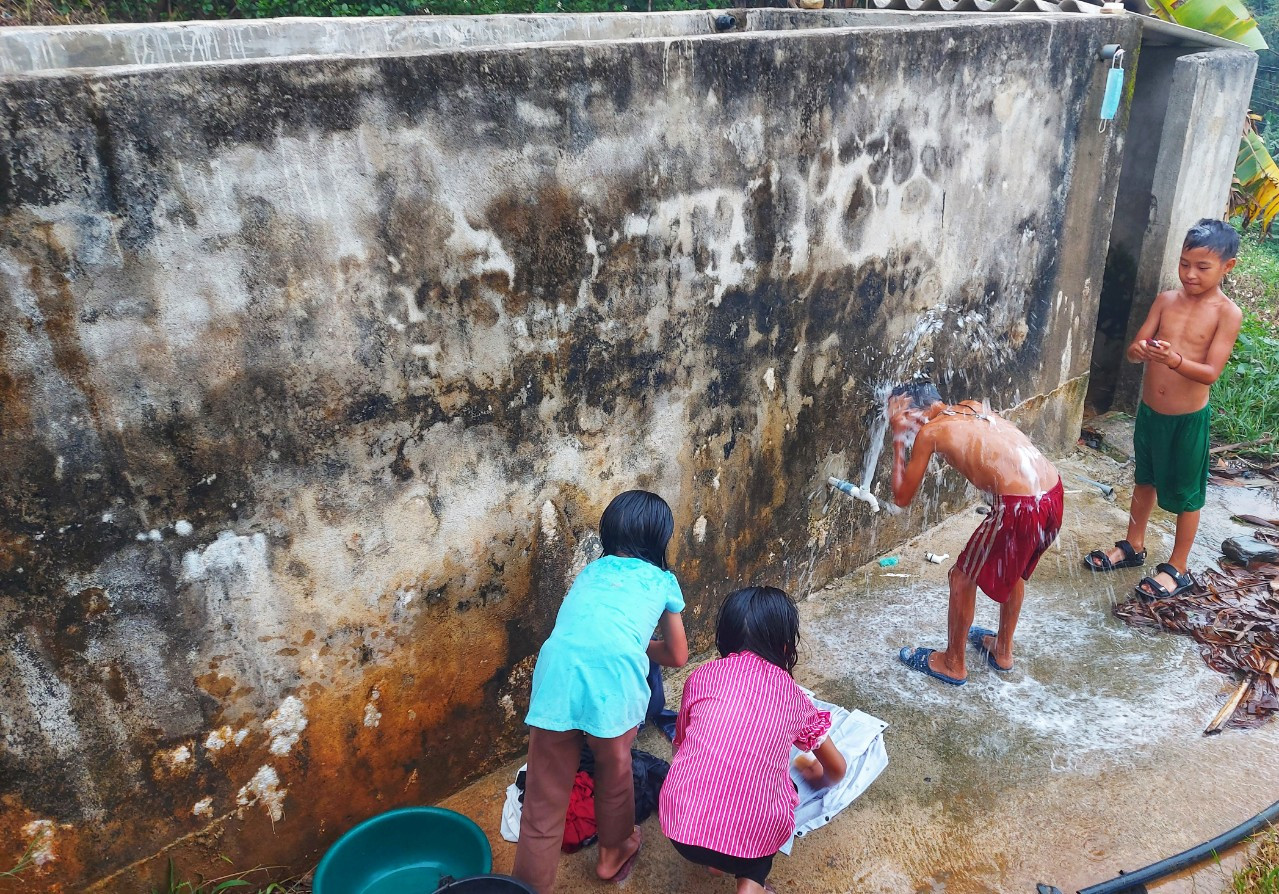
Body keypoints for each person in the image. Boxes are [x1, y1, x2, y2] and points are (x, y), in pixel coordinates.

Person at [514, 490, 689, 894]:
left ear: (609, 533)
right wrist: (633, 645)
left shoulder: (591, 572)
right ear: (659, 539)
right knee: (615, 772)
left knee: (543, 800)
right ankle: (614, 853)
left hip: (557, 676)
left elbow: (586, 625)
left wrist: (621, 641)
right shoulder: (663, 581)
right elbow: (677, 655)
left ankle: (525, 888)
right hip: (614, 685)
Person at [1083, 219, 1242, 600]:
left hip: (1187, 421)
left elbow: (1210, 373)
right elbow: (1138, 345)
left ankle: (1178, 567)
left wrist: (1174, 360)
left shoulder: (1226, 313)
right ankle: (1133, 545)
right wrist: (1139, 351)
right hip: (1151, 413)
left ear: (1227, 267)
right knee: (1145, 479)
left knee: (1187, 494)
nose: (1190, 273)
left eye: (1202, 267)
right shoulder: (1166, 300)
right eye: (1184, 263)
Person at [659, 586, 847, 894]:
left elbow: (680, 745)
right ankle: (751, 884)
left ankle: (717, 861)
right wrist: (818, 775)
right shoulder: (793, 698)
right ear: (786, 647)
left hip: (680, 826)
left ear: (725, 639)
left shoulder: (702, 677)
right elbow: (837, 769)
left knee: (721, 792)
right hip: (751, 841)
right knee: (774, 808)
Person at [888, 383, 1063, 685]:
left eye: (900, 414)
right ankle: (1002, 651)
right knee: (1016, 570)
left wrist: (898, 440)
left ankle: (952, 663)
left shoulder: (931, 433)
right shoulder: (971, 406)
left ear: (912, 412)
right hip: (1053, 492)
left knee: (961, 577)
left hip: (1021, 508)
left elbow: (902, 497)